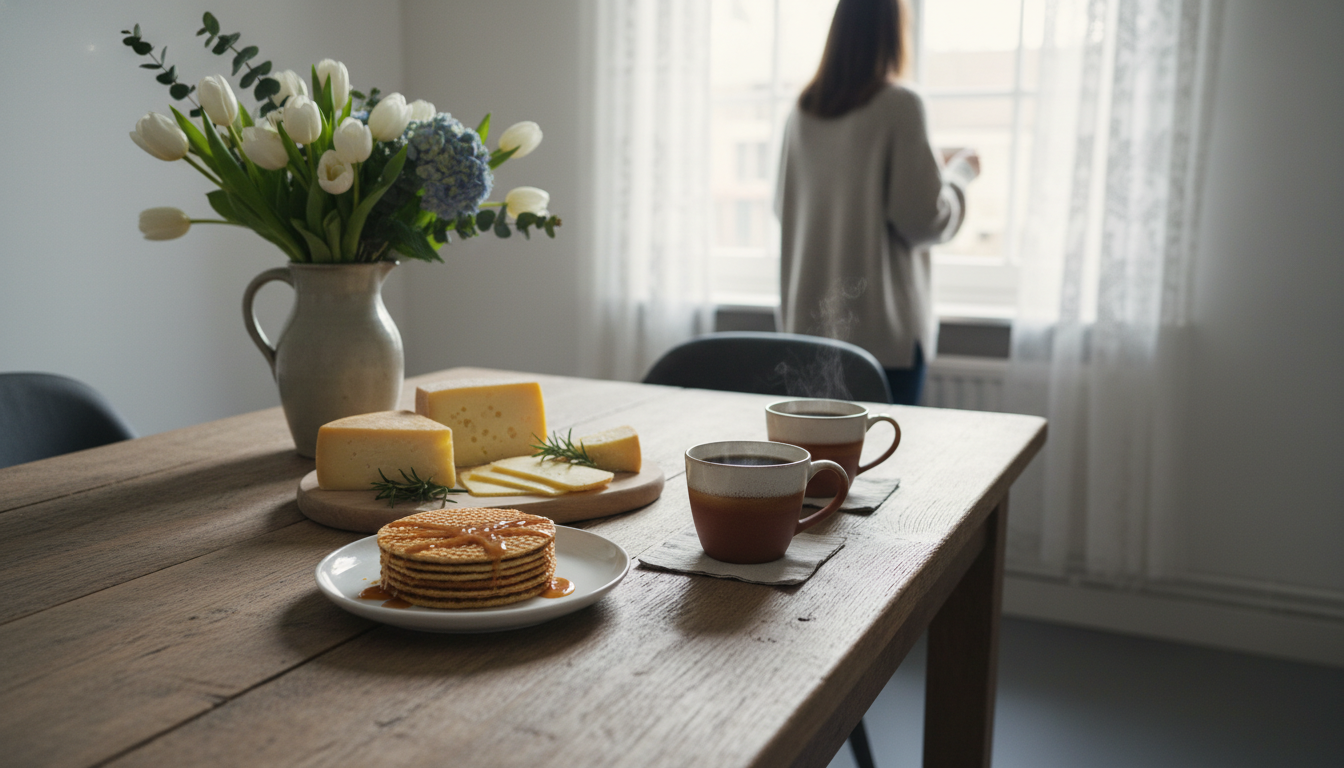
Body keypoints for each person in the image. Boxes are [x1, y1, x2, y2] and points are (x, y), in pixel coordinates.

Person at [775, 0, 978, 405]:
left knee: (821, 466)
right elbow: (924, 220)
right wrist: (960, 174)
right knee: (887, 464)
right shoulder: (900, 104)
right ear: (894, 31)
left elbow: (785, 209)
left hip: (807, 337)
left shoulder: (801, 111)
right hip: (883, 345)